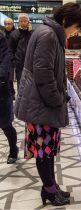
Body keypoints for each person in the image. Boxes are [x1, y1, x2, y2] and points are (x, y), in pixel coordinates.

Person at [15, 3, 81, 206]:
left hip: (42, 104)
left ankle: (51, 186)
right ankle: (49, 190)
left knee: (47, 151)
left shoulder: (49, 33)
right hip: (42, 105)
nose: (74, 33)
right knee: (44, 151)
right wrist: (57, 99)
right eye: (75, 28)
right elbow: (44, 75)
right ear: (66, 21)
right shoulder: (48, 35)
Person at [0, 32, 18, 164]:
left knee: (5, 124)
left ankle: (13, 149)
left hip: (1, 88)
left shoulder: (1, 38)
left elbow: (5, 60)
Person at [9, 13, 32, 89]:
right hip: (19, 63)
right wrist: (13, 61)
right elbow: (11, 49)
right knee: (21, 82)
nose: (23, 23)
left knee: (31, 83)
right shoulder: (14, 34)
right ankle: (21, 100)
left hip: (31, 63)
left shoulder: (33, 33)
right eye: (21, 21)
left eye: (25, 21)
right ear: (18, 22)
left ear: (28, 22)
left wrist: (29, 32)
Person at [3, 18, 16, 99]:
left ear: (12, 24)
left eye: (9, 24)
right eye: (6, 24)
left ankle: (12, 93)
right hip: (3, 58)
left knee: (11, 78)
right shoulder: (2, 34)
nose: (7, 26)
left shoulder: (16, 33)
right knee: (4, 77)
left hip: (12, 59)